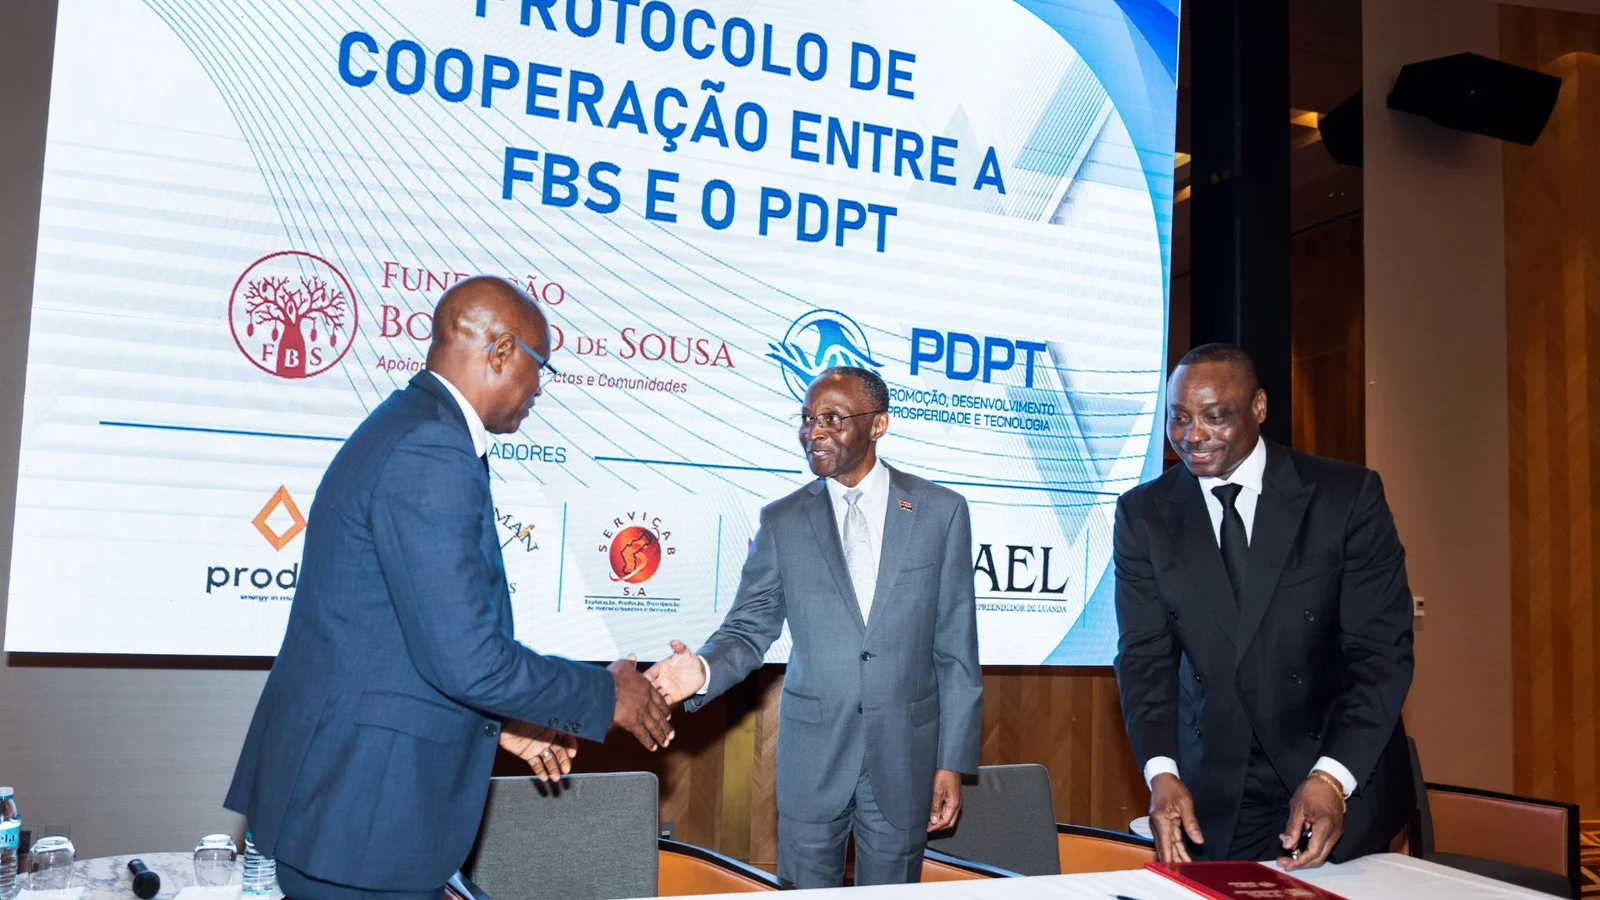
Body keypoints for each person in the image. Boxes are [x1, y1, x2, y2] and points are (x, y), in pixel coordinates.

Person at [225, 276, 674, 900]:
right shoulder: (431, 448)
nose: (539, 388)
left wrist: (497, 721)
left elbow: (400, 643)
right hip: (364, 817)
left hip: (347, 807)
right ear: (502, 352)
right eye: (540, 368)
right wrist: (607, 693)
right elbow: (468, 658)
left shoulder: (405, 425)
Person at [646, 367, 983, 888]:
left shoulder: (941, 512)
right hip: (813, 759)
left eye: (832, 418)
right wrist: (705, 669)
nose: (813, 432)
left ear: (877, 425)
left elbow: (955, 648)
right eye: (807, 420)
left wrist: (951, 762)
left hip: (906, 758)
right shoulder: (783, 520)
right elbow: (749, 627)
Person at [1113, 343, 1415, 870]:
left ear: (1258, 407)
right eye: (1178, 417)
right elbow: (1145, 658)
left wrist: (1331, 778)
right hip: (1216, 791)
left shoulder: (1345, 497)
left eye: (1215, 416)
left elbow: (1380, 654)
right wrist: (1162, 772)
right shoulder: (1144, 514)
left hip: (1337, 772)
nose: (1192, 435)